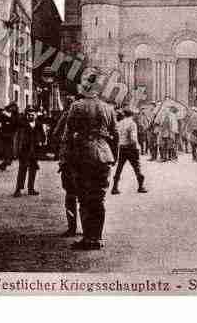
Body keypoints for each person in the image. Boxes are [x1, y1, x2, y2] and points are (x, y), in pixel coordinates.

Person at [63, 74, 117, 250]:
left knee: (84, 198)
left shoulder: (76, 106)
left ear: (85, 89)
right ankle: (97, 238)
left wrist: (67, 158)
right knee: (99, 198)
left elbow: (68, 135)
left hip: (83, 155)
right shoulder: (108, 108)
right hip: (104, 156)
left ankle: (87, 238)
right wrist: (113, 156)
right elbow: (115, 135)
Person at [52, 96, 79, 237]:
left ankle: (72, 227)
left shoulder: (66, 116)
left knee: (70, 195)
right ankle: (86, 228)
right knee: (85, 195)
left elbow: (56, 134)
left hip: (69, 160)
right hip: (85, 160)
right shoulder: (86, 115)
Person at [112, 107, 147, 195]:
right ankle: (141, 186)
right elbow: (133, 138)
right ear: (132, 114)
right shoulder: (132, 123)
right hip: (131, 148)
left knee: (119, 168)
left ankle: (115, 187)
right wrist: (137, 147)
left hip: (122, 147)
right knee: (137, 167)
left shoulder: (120, 123)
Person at [13, 108, 45, 198]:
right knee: (22, 169)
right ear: (26, 115)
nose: (31, 116)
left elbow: (43, 136)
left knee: (33, 169)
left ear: (35, 115)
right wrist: (17, 150)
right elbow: (18, 137)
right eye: (29, 114)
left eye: (32, 114)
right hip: (24, 150)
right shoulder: (22, 125)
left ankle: (31, 188)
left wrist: (41, 141)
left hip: (34, 150)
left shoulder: (38, 124)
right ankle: (18, 189)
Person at [0, 103, 19, 171]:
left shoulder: (15, 115)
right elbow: (1, 122)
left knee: (9, 148)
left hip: (12, 133)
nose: (11, 109)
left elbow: (15, 122)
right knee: (7, 148)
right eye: (11, 107)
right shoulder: (7, 114)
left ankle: (6, 162)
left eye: (13, 107)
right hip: (6, 133)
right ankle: (5, 163)